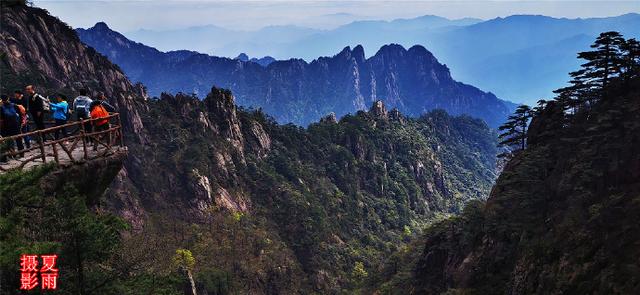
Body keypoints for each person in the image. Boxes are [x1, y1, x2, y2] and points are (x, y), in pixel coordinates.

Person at [0, 94, 24, 160]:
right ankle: (22, 153)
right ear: (8, 98)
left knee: (6, 141)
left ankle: (5, 157)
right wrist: (20, 124)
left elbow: (1, 120)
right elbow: (20, 116)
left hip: (7, 127)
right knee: (19, 140)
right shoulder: (15, 105)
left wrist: (1, 128)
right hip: (16, 126)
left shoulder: (1, 108)